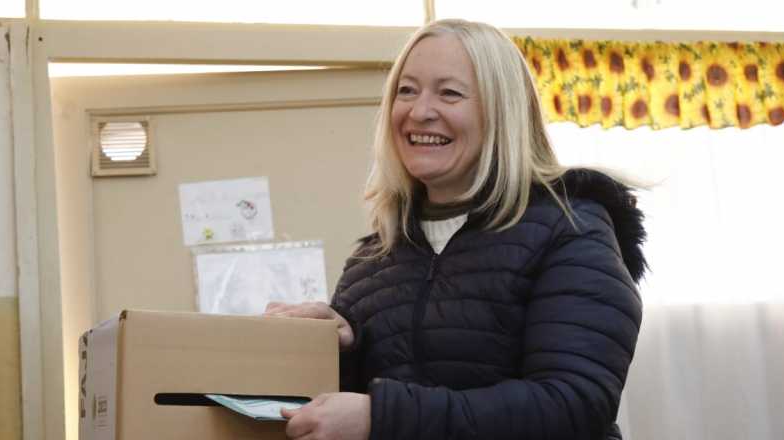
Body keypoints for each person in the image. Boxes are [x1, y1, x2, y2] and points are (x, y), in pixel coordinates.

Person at [265, 18, 646, 440]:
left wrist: (383, 417)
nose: (419, 112)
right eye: (406, 91)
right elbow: (355, 408)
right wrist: (342, 346)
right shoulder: (369, 264)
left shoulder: (569, 230)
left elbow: (572, 403)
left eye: (449, 93)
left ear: (502, 112)